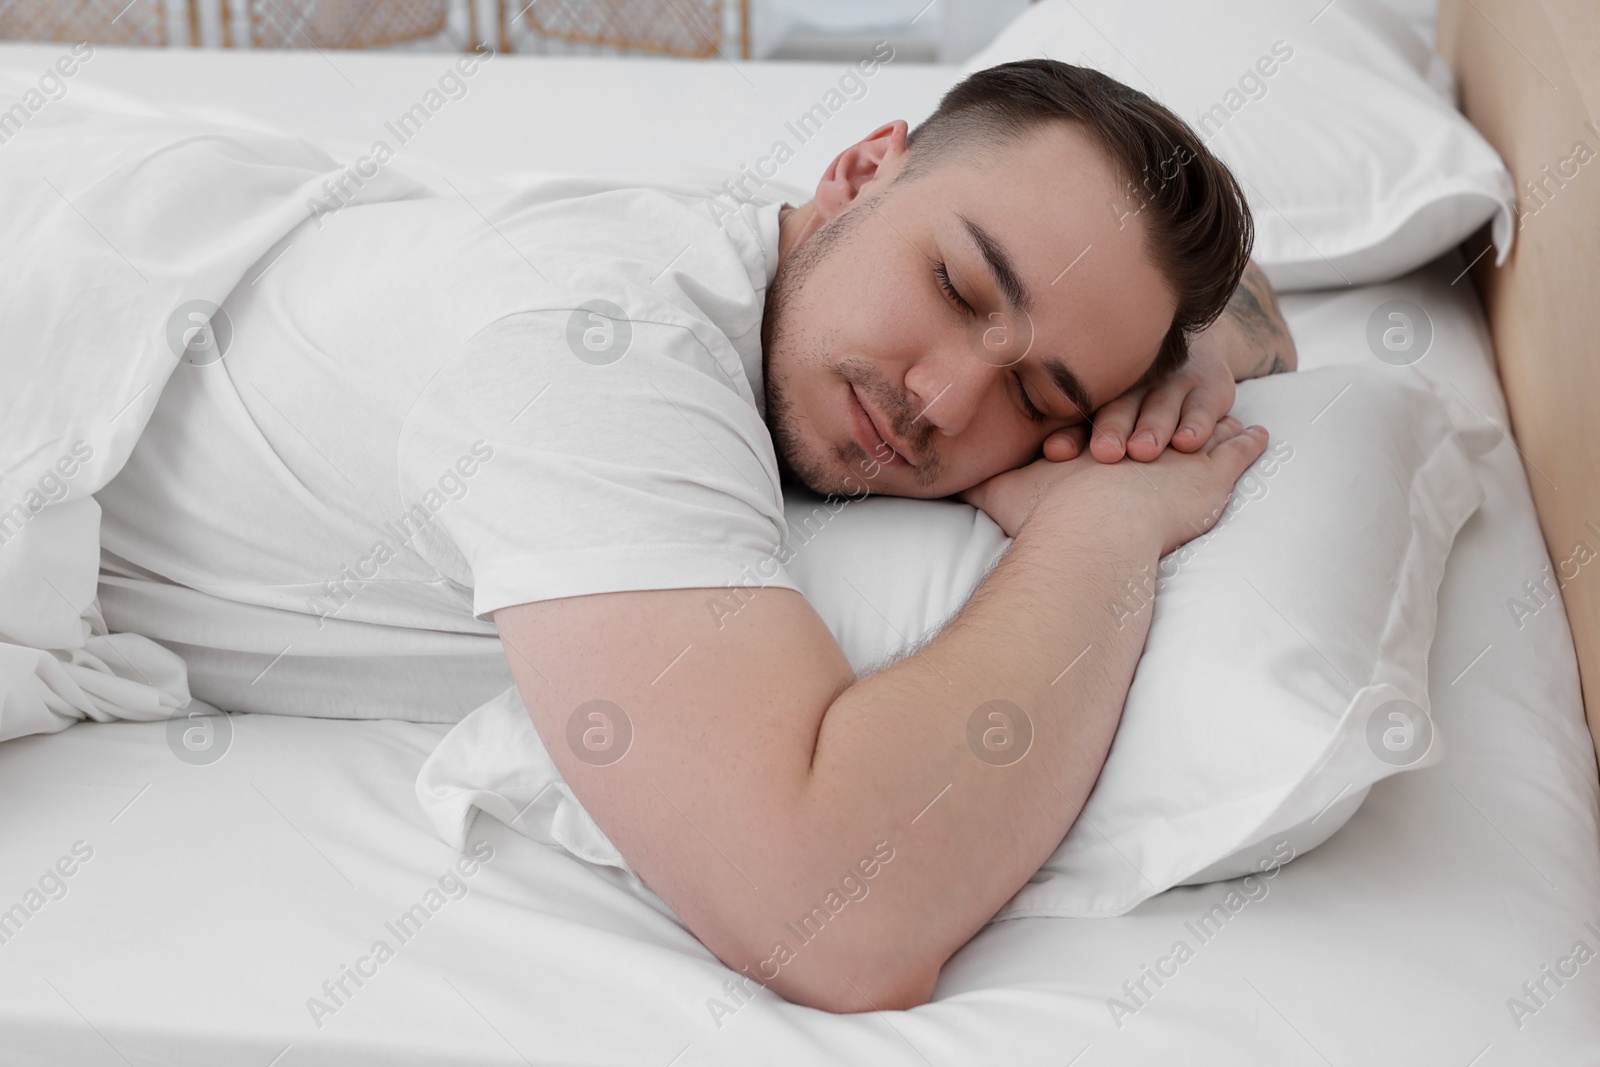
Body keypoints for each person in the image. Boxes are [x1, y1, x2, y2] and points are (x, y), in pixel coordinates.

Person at [93, 59, 1295, 1010]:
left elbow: (1261, 309)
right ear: (864, 166)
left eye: (1038, 400)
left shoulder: (793, 263)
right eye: (961, 289)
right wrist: (1103, 528)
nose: (942, 399)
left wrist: (1198, 348)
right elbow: (833, 916)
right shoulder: (593, 352)